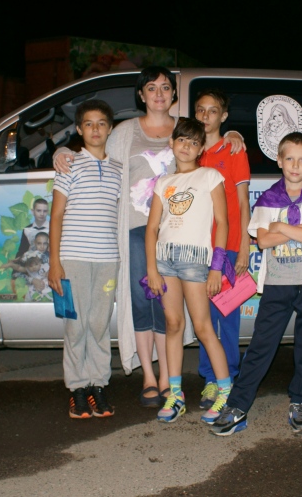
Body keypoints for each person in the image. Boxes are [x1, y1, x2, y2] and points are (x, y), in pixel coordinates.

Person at [54, 66, 245, 408]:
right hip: (137, 231)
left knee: (174, 313)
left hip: (181, 239)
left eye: (166, 87)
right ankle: (149, 377)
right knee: (144, 304)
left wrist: (234, 134)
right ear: (141, 94)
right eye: (151, 87)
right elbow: (94, 146)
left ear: (174, 94)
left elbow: (212, 135)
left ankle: (174, 381)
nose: (159, 93)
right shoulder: (123, 132)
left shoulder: (187, 128)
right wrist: (62, 151)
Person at [210, 132, 302, 436]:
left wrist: (282, 227)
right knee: (260, 346)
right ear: (279, 161)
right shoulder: (267, 200)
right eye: (289, 158)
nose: (295, 165)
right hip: (278, 284)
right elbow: (263, 241)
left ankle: (301, 400)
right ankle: (238, 405)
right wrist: (299, 229)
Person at [144, 117, 232, 423]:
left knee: (203, 327)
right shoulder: (163, 183)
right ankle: (176, 395)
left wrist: (216, 268)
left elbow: (222, 222)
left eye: (194, 142)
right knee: (173, 325)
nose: (186, 146)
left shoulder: (210, 176)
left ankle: (225, 393)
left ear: (201, 148)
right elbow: (152, 228)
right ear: (172, 143)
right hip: (165, 260)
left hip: (196, 261)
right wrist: (151, 269)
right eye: (181, 140)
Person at [48, 99, 122, 419]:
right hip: (74, 259)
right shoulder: (69, 165)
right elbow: (56, 216)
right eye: (88, 124)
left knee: (99, 323)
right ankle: (77, 388)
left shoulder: (118, 169)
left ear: (110, 128)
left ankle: (98, 385)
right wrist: (54, 262)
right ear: (79, 129)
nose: (95, 129)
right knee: (76, 325)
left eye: (101, 123)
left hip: (107, 260)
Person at [192, 89, 251, 411]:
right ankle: (210, 379)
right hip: (196, 250)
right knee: (203, 319)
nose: (206, 116)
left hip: (227, 249)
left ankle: (228, 377)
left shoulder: (233, 150)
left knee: (227, 318)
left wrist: (244, 248)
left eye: (213, 111)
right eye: (200, 110)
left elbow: (242, 203)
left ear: (223, 116)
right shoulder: (190, 151)